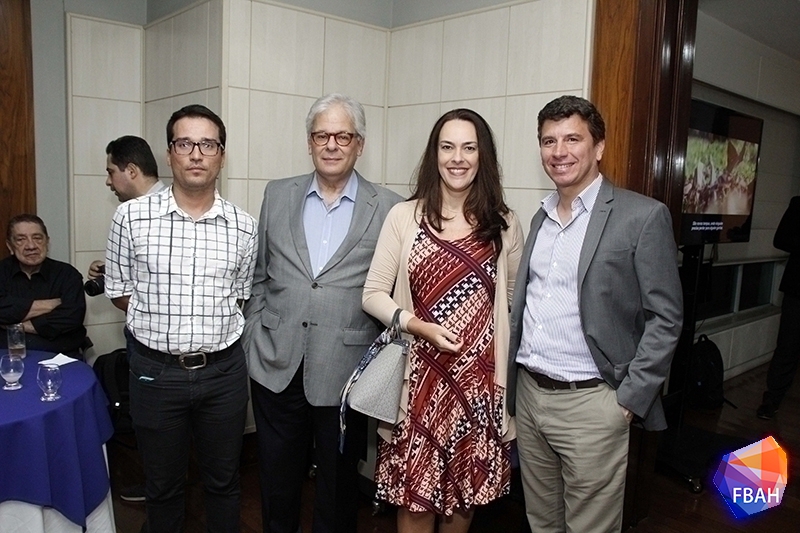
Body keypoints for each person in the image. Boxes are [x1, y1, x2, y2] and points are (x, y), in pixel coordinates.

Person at [507, 95, 683, 533]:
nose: (559, 151)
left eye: (572, 139)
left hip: (593, 404)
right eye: (549, 141)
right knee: (541, 521)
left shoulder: (642, 216)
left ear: (599, 146)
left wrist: (628, 401)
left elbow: (666, 317)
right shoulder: (541, 217)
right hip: (530, 396)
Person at [242, 93, 402, 533]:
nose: (331, 145)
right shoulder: (278, 194)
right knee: (276, 482)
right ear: (309, 142)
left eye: (343, 136)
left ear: (359, 144)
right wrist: (255, 332)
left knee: (338, 487)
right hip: (275, 361)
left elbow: (393, 290)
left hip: (346, 372)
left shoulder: (390, 207)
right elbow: (258, 275)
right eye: (321, 135)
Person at [362, 108, 523, 533]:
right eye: (447, 147)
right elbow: (372, 294)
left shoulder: (505, 224)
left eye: (469, 148)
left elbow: (511, 303)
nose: (458, 158)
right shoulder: (404, 216)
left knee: (463, 502)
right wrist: (416, 325)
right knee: (415, 504)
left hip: (478, 390)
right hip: (417, 386)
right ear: (434, 154)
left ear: (483, 156)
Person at [104, 104, 257, 533]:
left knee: (224, 482)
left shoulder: (245, 227)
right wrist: (164, 319)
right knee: (163, 487)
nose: (196, 154)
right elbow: (119, 291)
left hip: (223, 374)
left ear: (221, 155)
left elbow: (240, 296)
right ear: (170, 153)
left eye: (207, 144)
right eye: (185, 143)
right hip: (155, 373)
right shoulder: (130, 218)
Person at [0, 214, 87, 356]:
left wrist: (15, 325)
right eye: (21, 239)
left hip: (61, 355)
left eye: (37, 238)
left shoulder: (67, 274)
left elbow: (72, 317)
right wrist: (49, 305)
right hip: (7, 356)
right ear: (10, 246)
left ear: (47, 242)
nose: (31, 246)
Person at [87, 135, 166, 281]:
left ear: (131, 171)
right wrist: (110, 270)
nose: (108, 182)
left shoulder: (166, 212)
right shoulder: (134, 213)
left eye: (111, 172)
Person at [757, 196, 800, 420]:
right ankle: (772, 399)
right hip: (797, 290)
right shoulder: (798, 204)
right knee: (787, 345)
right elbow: (781, 240)